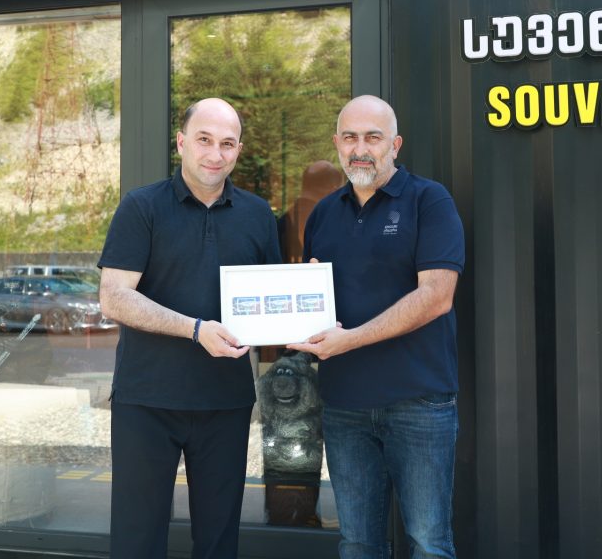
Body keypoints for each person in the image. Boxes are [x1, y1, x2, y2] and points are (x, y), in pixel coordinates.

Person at [97, 97, 281, 559]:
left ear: (238, 150)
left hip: (225, 403)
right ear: (181, 143)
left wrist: (309, 307)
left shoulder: (258, 215)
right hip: (147, 400)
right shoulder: (142, 207)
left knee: (219, 542)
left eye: (227, 144)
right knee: (137, 541)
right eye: (204, 140)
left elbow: (271, 305)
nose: (215, 154)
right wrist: (195, 329)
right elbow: (114, 296)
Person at [289, 95, 465, 559]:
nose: (360, 148)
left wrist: (350, 339)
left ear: (395, 145)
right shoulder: (324, 214)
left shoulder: (429, 200)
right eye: (350, 137)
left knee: (429, 543)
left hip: (418, 402)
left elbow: (437, 296)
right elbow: (316, 299)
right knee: (358, 543)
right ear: (337, 143)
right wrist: (300, 317)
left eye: (373, 137)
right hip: (344, 405)